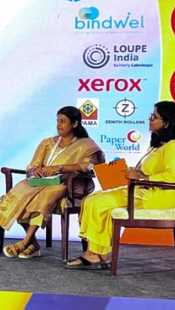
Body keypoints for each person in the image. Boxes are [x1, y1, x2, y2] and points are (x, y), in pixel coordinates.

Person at [67, 101, 175, 269]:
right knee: (91, 199)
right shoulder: (158, 145)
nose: (149, 119)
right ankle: (100, 254)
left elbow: (172, 176)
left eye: (154, 117)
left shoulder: (173, 146)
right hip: (143, 190)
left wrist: (142, 178)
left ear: (167, 122)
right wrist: (132, 172)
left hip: (160, 196)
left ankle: (94, 254)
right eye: (150, 115)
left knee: (99, 203)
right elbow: (146, 171)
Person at [0, 106, 103, 259]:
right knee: (17, 195)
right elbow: (33, 165)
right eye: (57, 121)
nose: (58, 125)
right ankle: (34, 245)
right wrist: (34, 171)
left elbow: (89, 166)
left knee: (43, 198)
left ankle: (25, 242)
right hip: (40, 182)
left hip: (64, 184)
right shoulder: (48, 143)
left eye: (63, 121)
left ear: (75, 124)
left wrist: (60, 168)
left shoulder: (85, 144)